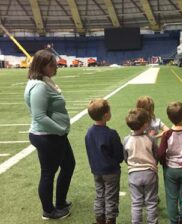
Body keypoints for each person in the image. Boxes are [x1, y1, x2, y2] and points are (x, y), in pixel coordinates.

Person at [24, 49, 75, 220]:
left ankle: (60, 202)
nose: (56, 67)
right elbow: (39, 116)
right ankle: (49, 210)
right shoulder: (39, 86)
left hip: (52, 135)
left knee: (68, 165)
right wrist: (60, 130)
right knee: (48, 173)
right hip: (48, 136)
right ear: (42, 66)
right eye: (52, 64)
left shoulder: (43, 81)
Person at [85, 99, 124, 224]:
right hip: (111, 171)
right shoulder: (111, 134)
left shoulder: (89, 133)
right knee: (111, 197)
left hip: (96, 170)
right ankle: (110, 220)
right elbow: (119, 156)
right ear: (106, 115)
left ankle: (99, 219)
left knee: (99, 195)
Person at [158, 101, 182, 224]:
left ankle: (174, 220)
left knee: (171, 196)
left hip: (170, 169)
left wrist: (164, 164)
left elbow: (161, 153)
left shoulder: (167, 135)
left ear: (168, 117)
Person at [123, 108, 159, 224]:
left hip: (134, 174)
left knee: (136, 202)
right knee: (151, 201)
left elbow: (125, 157)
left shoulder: (126, 140)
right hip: (150, 173)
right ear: (145, 125)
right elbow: (156, 155)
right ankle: (152, 222)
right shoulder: (151, 139)